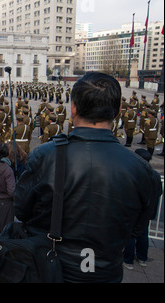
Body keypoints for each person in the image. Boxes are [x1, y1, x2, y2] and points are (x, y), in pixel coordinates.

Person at [14, 72, 162, 283]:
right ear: (118, 110)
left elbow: (21, 210)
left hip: (51, 269)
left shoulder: (45, 156)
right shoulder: (143, 171)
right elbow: (137, 229)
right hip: (106, 273)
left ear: (73, 108)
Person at [123, 149, 160, 270]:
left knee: (131, 235)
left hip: (135, 210)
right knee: (143, 234)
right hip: (148, 210)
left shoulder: (136, 173)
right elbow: (159, 192)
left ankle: (128, 260)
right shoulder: (155, 175)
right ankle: (142, 257)